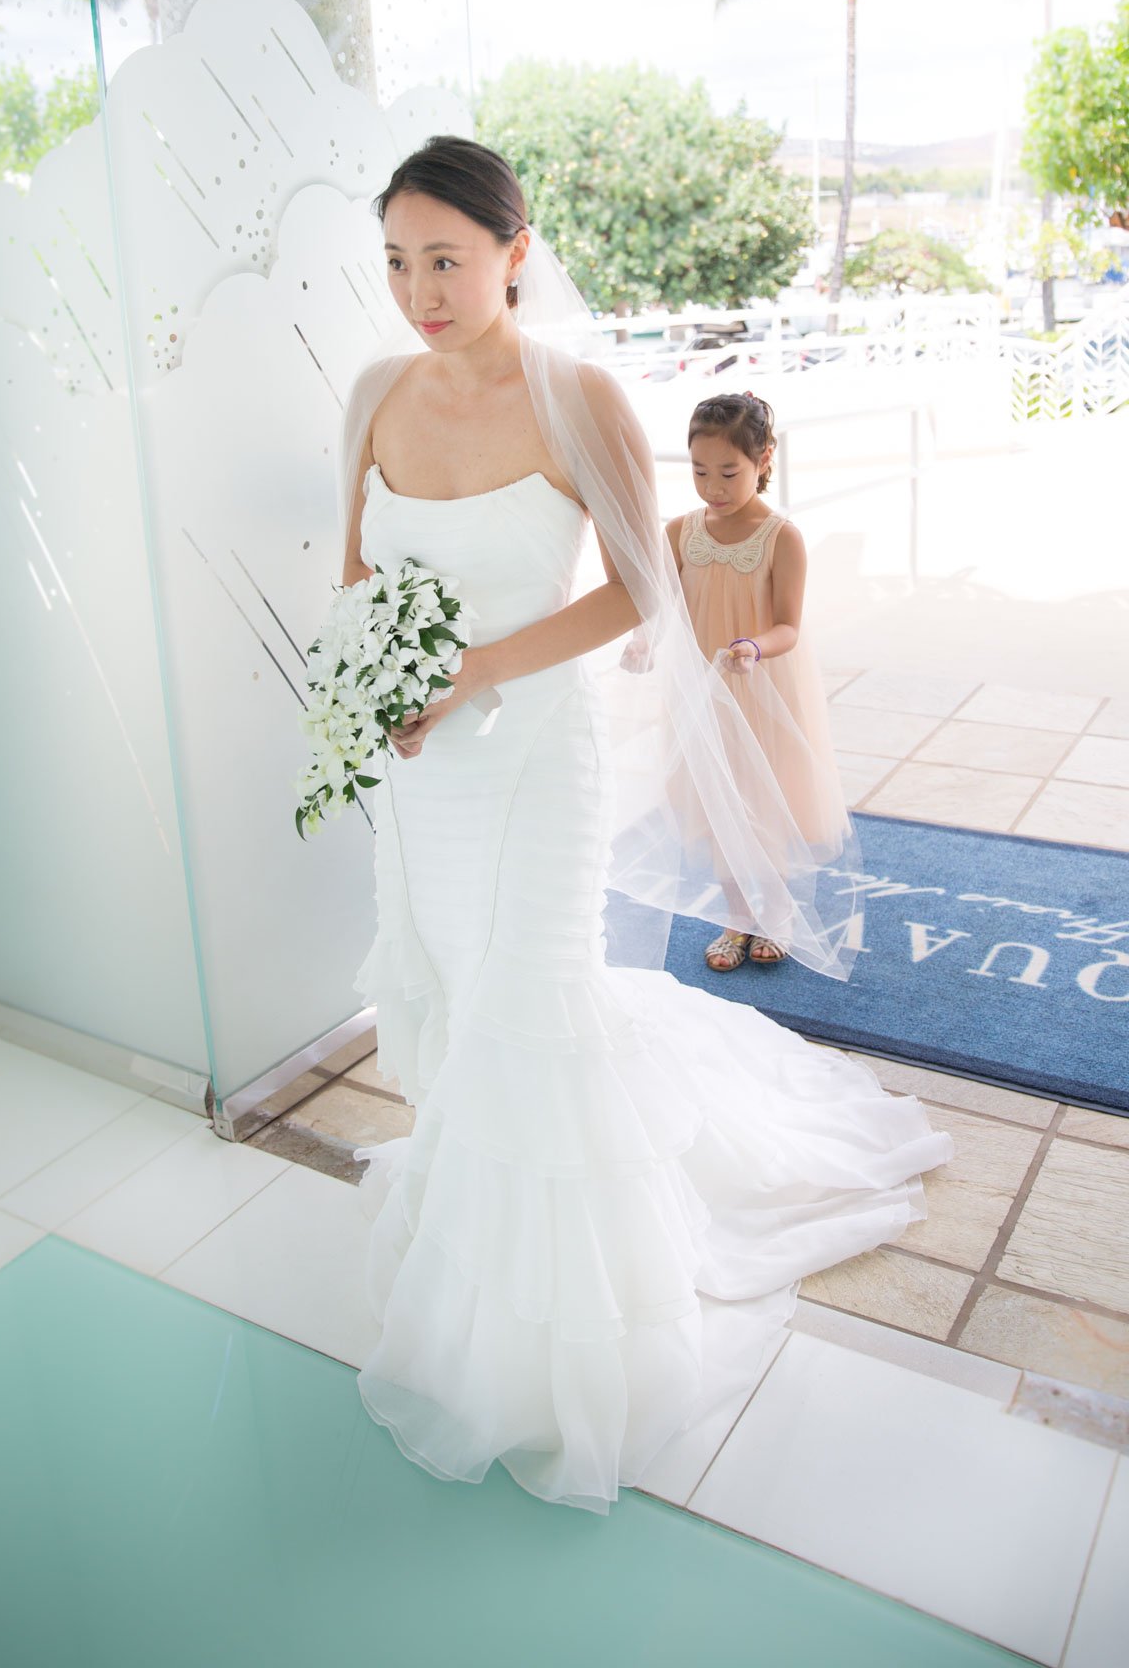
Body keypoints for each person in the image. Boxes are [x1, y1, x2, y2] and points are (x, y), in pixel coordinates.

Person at [338, 135, 952, 1515]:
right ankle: (473, 1241)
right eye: (395, 262)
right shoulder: (374, 392)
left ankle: (548, 1335)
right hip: (421, 771)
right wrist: (376, 690)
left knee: (532, 1006)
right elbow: (357, 571)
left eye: (446, 260)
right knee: (458, 995)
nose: (419, 291)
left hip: (533, 760)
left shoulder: (581, 398)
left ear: (515, 250)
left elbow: (640, 588)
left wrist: (474, 672)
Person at [668, 392, 850, 975]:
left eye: (729, 472)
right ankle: (737, 916)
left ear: (764, 459)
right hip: (703, 693)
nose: (713, 487)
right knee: (719, 803)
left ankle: (776, 912)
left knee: (762, 804)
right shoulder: (680, 532)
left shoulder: (780, 537)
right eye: (700, 471)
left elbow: (788, 626)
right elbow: (660, 603)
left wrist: (752, 646)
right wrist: (647, 640)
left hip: (762, 689)